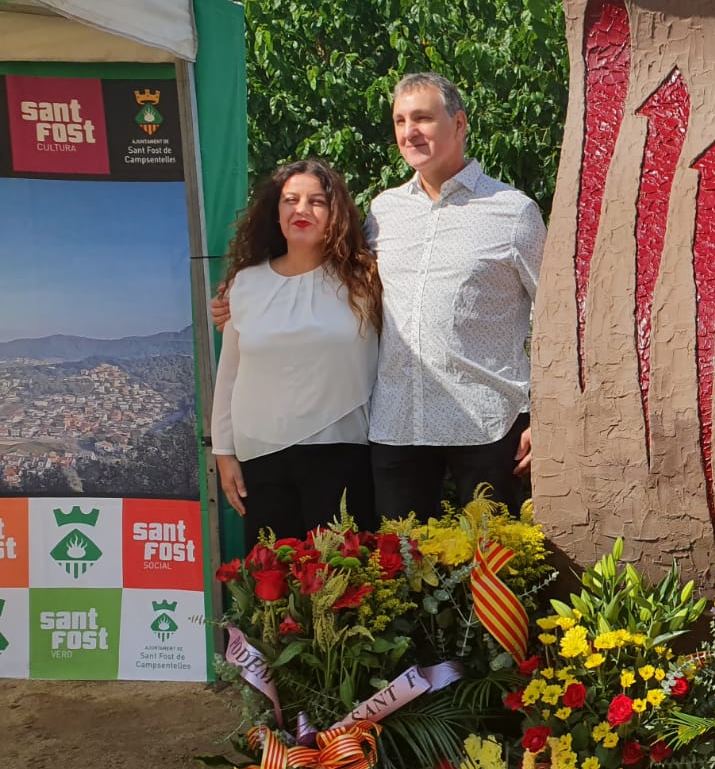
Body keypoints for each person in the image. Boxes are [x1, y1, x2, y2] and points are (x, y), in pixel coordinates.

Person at [213, 73, 546, 520]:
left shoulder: (514, 211)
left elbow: (556, 320)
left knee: (493, 574)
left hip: (487, 425)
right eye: (400, 120)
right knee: (398, 576)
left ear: (460, 124)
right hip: (396, 428)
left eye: (423, 118)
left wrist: (544, 417)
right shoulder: (382, 212)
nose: (410, 132)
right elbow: (329, 275)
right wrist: (248, 304)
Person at [212, 159, 381, 545]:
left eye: (316, 201)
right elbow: (230, 373)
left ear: (335, 213)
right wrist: (223, 453)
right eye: (291, 199)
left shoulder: (365, 281)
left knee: (344, 590)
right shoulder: (246, 284)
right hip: (262, 458)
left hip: (342, 454)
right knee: (277, 594)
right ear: (276, 210)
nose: (301, 210)